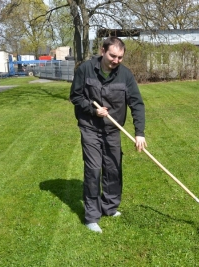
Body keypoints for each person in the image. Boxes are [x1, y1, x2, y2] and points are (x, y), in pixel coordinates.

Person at [70, 37, 147, 233]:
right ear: (102, 50)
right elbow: (75, 96)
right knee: (94, 170)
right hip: (90, 127)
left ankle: (109, 207)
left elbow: (136, 104)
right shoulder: (85, 69)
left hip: (113, 130)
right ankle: (91, 216)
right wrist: (92, 109)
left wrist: (139, 133)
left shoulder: (125, 75)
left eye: (120, 57)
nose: (116, 60)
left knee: (113, 168)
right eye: (113, 55)